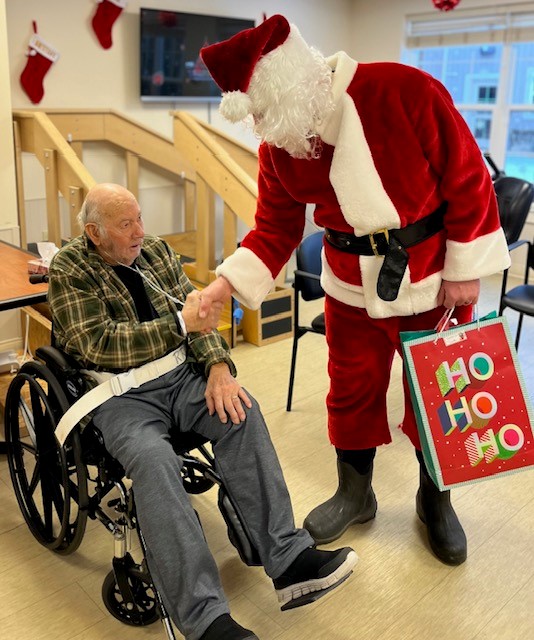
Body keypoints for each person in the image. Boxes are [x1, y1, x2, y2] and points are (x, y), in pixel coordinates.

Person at [197, 14, 511, 566]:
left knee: (441, 392)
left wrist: (466, 268)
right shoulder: (280, 145)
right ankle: (355, 491)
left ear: (292, 79)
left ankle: (435, 499)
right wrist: (226, 284)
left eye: (266, 110)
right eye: (257, 118)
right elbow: (274, 227)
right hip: (348, 283)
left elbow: (468, 177)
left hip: (433, 276)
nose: (264, 128)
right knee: (351, 388)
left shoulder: (402, 89)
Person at [47, 183, 358, 640]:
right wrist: (178, 326)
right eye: (126, 223)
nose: (140, 231)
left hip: (180, 378)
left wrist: (217, 367)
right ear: (94, 232)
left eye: (139, 218)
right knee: (154, 462)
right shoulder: (70, 268)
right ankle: (205, 619)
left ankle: (289, 560)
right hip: (120, 396)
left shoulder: (155, 252)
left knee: (240, 411)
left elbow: (200, 314)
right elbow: (97, 343)